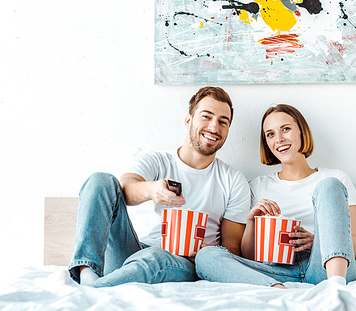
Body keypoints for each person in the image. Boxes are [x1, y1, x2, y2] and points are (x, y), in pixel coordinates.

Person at [68, 86, 250, 287]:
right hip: (131, 251)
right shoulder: (156, 160)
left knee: (155, 257)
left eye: (222, 122)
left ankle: (92, 291)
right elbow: (125, 189)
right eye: (206, 116)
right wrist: (152, 190)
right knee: (100, 180)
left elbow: (232, 248)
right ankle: (86, 272)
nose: (214, 127)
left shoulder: (233, 180)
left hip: (183, 263)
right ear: (188, 120)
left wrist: (205, 253)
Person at [195, 104, 356, 288]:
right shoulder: (257, 186)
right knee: (206, 257)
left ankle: (336, 289)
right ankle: (278, 291)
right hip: (277, 272)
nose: (279, 139)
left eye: (286, 129)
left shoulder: (336, 178)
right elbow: (249, 257)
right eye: (270, 134)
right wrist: (251, 221)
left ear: (301, 131)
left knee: (329, 184)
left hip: (325, 266)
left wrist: (317, 241)